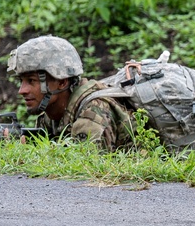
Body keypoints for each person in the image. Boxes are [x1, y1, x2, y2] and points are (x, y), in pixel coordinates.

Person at [7, 35, 135, 151]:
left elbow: (84, 168)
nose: (21, 90)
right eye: (21, 81)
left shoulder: (94, 110)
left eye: (31, 80)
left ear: (62, 82)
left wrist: (30, 152)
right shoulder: (50, 116)